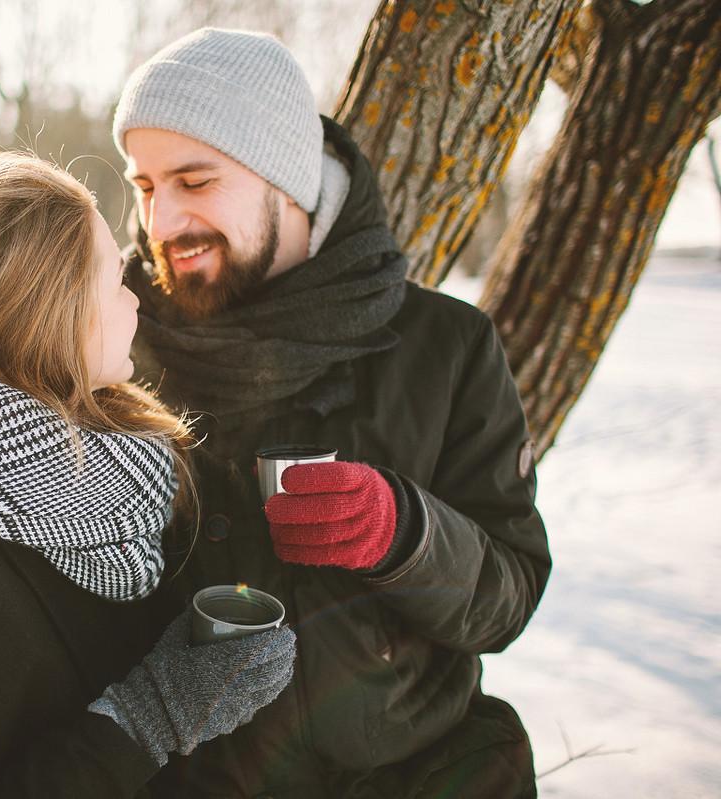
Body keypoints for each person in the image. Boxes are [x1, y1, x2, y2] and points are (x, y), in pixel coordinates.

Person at [112, 28, 552, 797]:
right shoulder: (120, 350)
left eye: (195, 180)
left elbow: (507, 599)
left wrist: (403, 532)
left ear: (284, 177)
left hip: (416, 776)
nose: (164, 222)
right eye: (146, 187)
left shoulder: (444, 347)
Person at [0, 152, 297, 798]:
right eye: (112, 277)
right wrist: (146, 718)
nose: (135, 296)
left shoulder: (124, 467)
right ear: (43, 312)